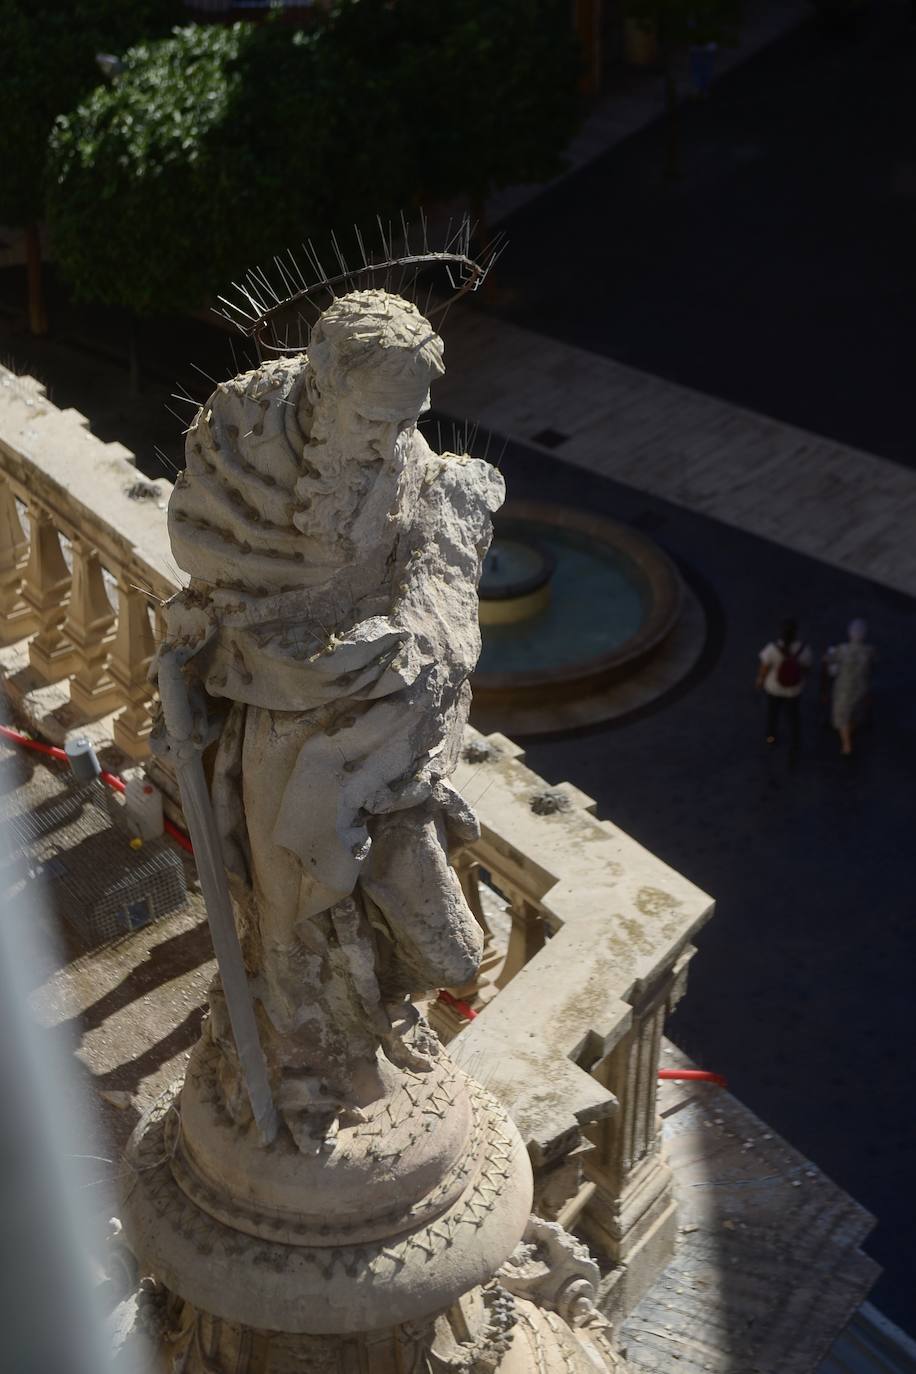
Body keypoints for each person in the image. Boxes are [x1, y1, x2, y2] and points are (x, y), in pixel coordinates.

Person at [756, 619, 814, 760]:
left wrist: (760, 681)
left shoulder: (772, 649)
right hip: (793, 690)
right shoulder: (804, 649)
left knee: (772, 714)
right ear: (795, 633)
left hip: (774, 689)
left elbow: (764, 668)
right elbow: (807, 669)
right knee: (793, 717)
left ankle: (771, 738)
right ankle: (795, 742)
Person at [824, 618, 874, 756]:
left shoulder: (842, 649)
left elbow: (828, 659)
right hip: (862, 688)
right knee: (855, 714)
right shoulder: (870, 652)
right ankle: (849, 735)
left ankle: (847, 744)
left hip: (844, 688)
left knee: (842, 716)